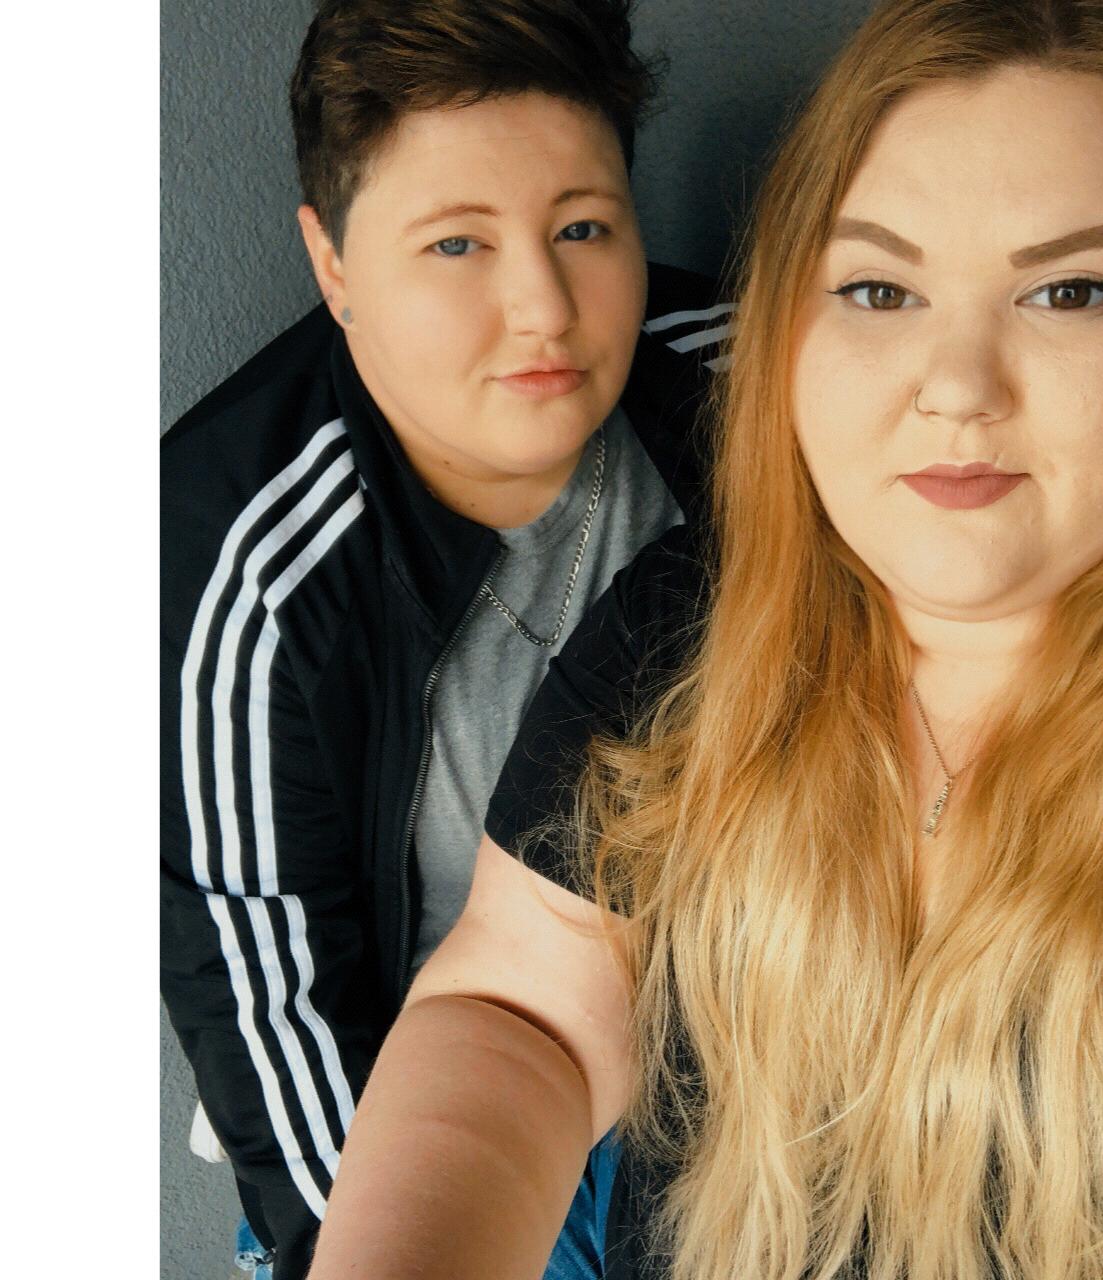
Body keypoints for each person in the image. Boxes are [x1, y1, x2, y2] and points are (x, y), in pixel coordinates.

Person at [308, 0, 1103, 1277]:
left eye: (1072, 291)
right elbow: (525, 1005)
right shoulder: (695, 613)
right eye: (877, 288)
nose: (956, 383)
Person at [159, 1, 731, 1276]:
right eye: (456, 243)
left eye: (581, 228)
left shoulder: (755, 386)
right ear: (334, 265)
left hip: (742, 1091)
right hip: (417, 1127)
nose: (542, 306)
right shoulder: (235, 558)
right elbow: (273, 1028)